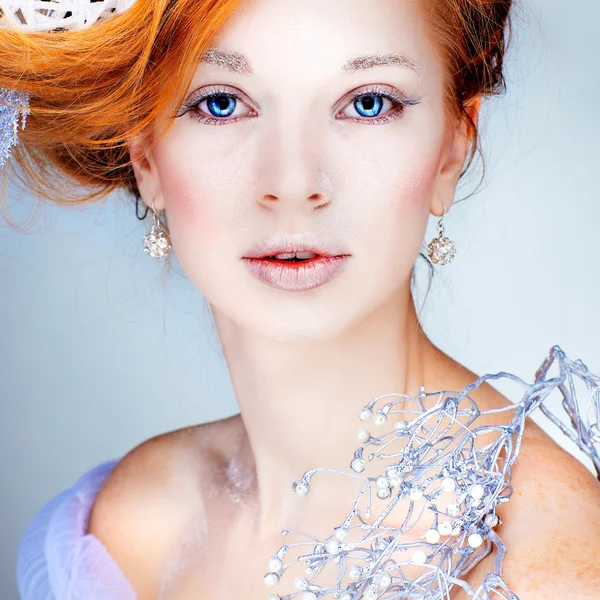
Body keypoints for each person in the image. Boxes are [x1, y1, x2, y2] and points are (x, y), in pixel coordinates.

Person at [3, 0, 600, 599]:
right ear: (146, 155)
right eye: (222, 103)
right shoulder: (134, 528)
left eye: (369, 104)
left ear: (452, 145)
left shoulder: (549, 569)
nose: (292, 184)